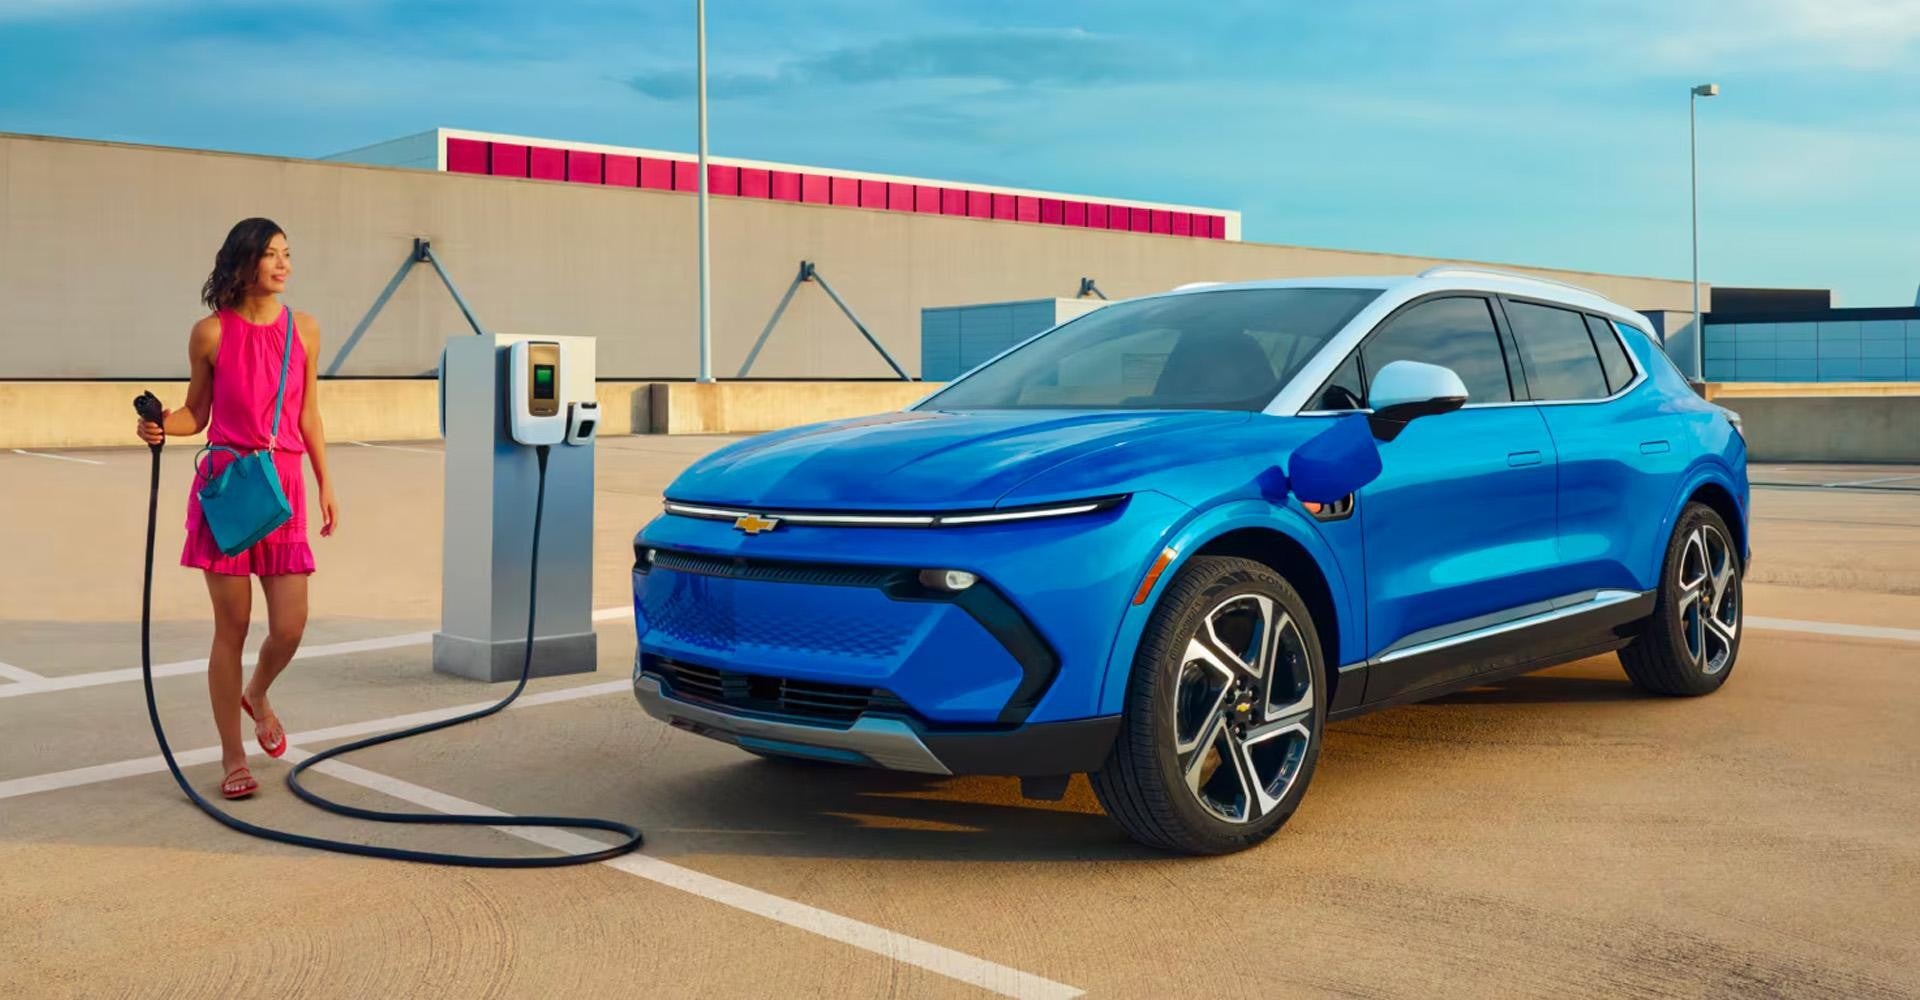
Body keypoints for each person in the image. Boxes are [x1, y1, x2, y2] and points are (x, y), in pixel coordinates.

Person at [136, 218, 338, 800]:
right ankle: (231, 755)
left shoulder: (305, 329)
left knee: (290, 626)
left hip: (286, 488)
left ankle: (259, 692)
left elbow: (308, 415)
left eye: (287, 254)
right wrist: (159, 425)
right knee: (232, 626)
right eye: (271, 255)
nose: (283, 265)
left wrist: (326, 481)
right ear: (242, 262)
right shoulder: (210, 334)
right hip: (228, 489)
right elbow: (194, 414)